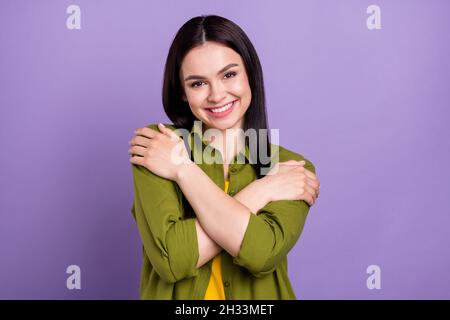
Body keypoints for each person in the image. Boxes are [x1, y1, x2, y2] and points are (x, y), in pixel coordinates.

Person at [128, 15, 320, 300]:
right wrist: (265, 189)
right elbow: (172, 261)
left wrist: (181, 169)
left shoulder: (290, 168)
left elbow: (261, 253)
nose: (217, 95)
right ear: (182, 91)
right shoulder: (159, 147)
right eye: (197, 84)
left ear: (250, 75)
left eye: (229, 74)